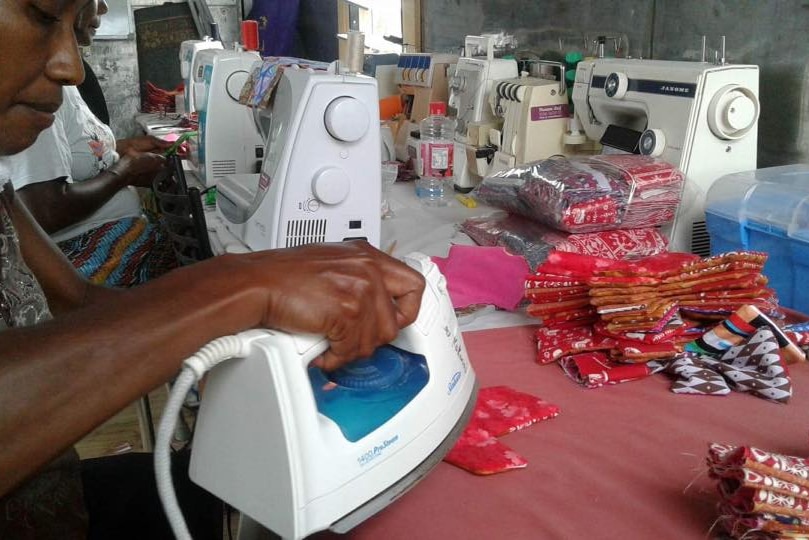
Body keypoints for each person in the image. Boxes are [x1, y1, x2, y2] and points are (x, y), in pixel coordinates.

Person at [0, 0, 425, 538]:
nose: (72, 69)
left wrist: (251, 327)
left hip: (49, 495)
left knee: (253, 495)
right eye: (42, 17)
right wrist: (241, 286)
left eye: (78, 34)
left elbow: (78, 303)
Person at [0, 0, 180, 287]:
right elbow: (44, 208)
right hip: (89, 249)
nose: (104, 8)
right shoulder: (32, 100)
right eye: (45, 17)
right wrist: (125, 171)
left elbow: (77, 154)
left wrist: (122, 149)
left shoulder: (63, 84)